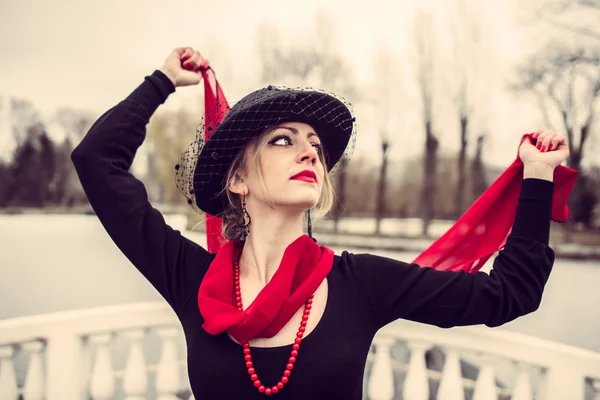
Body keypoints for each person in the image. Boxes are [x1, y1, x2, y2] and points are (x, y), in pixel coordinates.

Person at [71, 46, 570, 399]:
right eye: (283, 140)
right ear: (238, 179)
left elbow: (509, 296)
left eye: (314, 143)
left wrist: (539, 175)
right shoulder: (191, 280)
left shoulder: (363, 283)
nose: (310, 150)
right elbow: (97, 161)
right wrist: (160, 83)